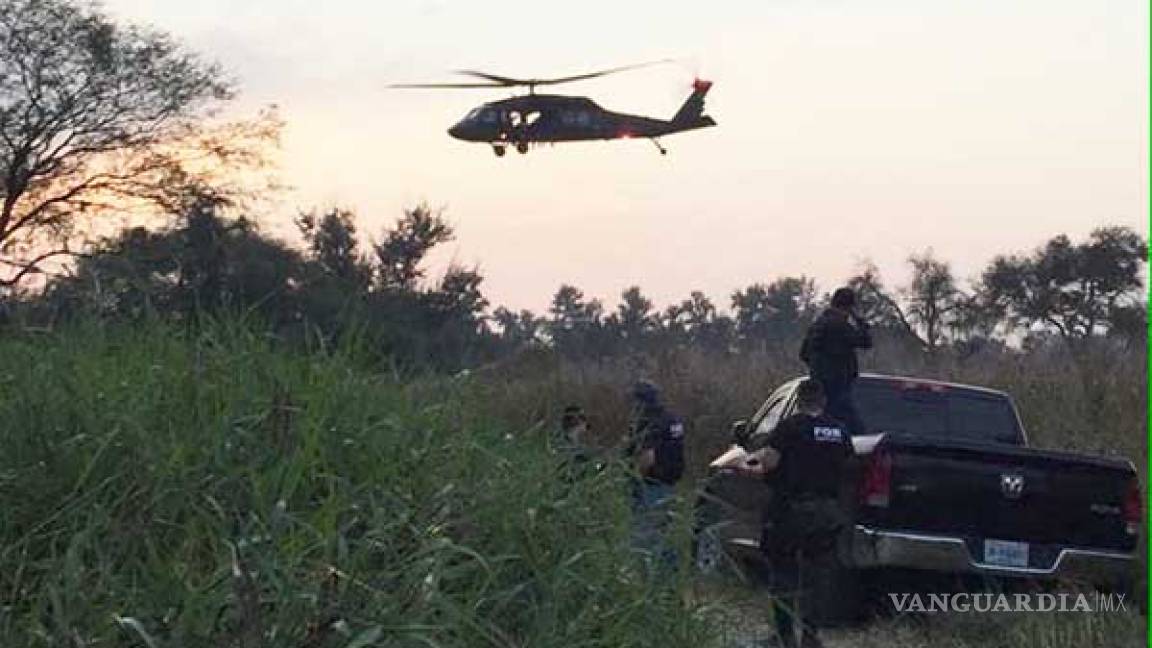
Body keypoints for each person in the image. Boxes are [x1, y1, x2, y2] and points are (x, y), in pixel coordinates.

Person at [739, 379, 852, 648]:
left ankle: (784, 636)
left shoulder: (789, 427)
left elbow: (769, 464)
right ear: (823, 402)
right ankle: (811, 637)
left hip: (790, 511)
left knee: (784, 573)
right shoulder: (839, 431)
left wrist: (745, 467)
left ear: (799, 401)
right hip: (827, 512)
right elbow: (848, 467)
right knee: (818, 578)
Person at [624, 380, 686, 573]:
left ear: (641, 401)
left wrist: (633, 477)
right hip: (669, 483)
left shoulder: (648, 421)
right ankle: (670, 579)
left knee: (645, 535)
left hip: (650, 484)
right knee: (663, 531)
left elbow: (647, 458)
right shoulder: (672, 419)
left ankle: (650, 582)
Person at [799, 287, 871, 434]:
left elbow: (804, 353)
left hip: (819, 384)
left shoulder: (817, 324)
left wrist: (817, 367)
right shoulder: (840, 325)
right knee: (852, 425)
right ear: (849, 307)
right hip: (838, 383)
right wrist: (861, 323)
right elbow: (865, 342)